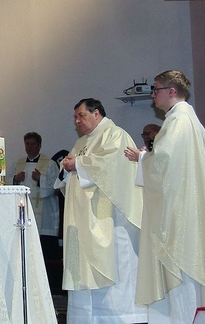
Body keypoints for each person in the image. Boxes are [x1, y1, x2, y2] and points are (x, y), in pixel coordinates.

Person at [125, 71, 205, 322]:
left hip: (182, 217)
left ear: (171, 91)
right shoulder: (188, 120)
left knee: (182, 278)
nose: (152, 94)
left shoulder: (178, 121)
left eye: (156, 89)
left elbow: (164, 163)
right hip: (188, 208)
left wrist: (141, 157)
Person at [55, 98, 146, 323]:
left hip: (110, 220)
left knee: (115, 267)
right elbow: (70, 171)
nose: (77, 121)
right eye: (75, 117)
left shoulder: (115, 135)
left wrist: (78, 164)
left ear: (97, 113)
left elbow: (114, 167)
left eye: (81, 116)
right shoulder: (82, 142)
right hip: (84, 220)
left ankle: (120, 317)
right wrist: (67, 167)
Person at [11, 132, 60, 242]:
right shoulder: (18, 163)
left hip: (44, 215)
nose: (29, 147)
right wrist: (15, 179)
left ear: (39, 145)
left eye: (33, 144)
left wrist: (41, 179)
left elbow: (57, 187)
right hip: (23, 209)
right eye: (27, 144)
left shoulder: (50, 164)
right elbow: (6, 183)